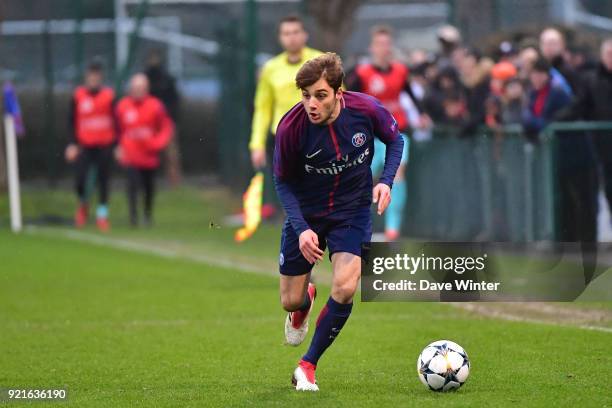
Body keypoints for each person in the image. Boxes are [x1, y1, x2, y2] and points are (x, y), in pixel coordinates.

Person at [274, 53, 404, 391]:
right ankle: (303, 303)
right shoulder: (290, 128)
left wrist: (386, 181)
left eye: (319, 95)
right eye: (305, 95)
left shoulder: (366, 110)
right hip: (308, 215)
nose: (311, 104)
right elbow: (283, 182)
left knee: (346, 287)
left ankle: (307, 366)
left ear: (338, 93)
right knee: (289, 300)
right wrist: (302, 229)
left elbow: (395, 139)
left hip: (352, 211)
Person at [345, 25, 428, 240]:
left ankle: (393, 228)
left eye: (387, 44)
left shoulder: (401, 70)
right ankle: (357, 222)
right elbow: (347, 98)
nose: (384, 48)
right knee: (365, 178)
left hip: (395, 134)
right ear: (372, 47)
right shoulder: (362, 73)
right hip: (370, 137)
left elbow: (410, 93)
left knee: (397, 175)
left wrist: (421, 114)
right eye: (379, 44)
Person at [249, 15, 322, 218]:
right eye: (286, 33)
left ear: (305, 35)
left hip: (315, 134)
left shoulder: (320, 62)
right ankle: (296, 228)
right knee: (289, 190)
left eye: (295, 32)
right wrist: (256, 144)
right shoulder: (271, 68)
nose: (291, 38)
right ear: (280, 38)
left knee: (315, 187)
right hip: (283, 137)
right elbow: (263, 108)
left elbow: (340, 98)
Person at [115, 74, 174, 227]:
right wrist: (119, 147)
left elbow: (166, 127)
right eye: (135, 88)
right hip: (130, 155)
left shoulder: (155, 106)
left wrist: (158, 143)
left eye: (141, 88)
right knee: (132, 185)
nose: (138, 91)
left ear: (146, 89)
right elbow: (117, 129)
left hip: (149, 155)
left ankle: (147, 215)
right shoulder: (122, 106)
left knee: (148, 187)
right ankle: (133, 217)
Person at [65, 60, 116, 232]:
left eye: (96, 77)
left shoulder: (109, 96)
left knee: (103, 181)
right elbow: (71, 122)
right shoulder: (78, 96)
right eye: (91, 77)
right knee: (80, 180)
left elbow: (116, 121)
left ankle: (102, 215)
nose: (93, 80)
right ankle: (83, 205)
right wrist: (72, 144)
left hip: (104, 145)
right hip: (84, 146)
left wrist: (117, 145)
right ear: (87, 78)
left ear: (100, 78)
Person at [145, 49, 181, 186]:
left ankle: (174, 181)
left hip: (166, 121)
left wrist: (171, 118)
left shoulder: (167, 79)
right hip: (148, 122)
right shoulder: (146, 79)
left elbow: (174, 101)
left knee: (171, 153)